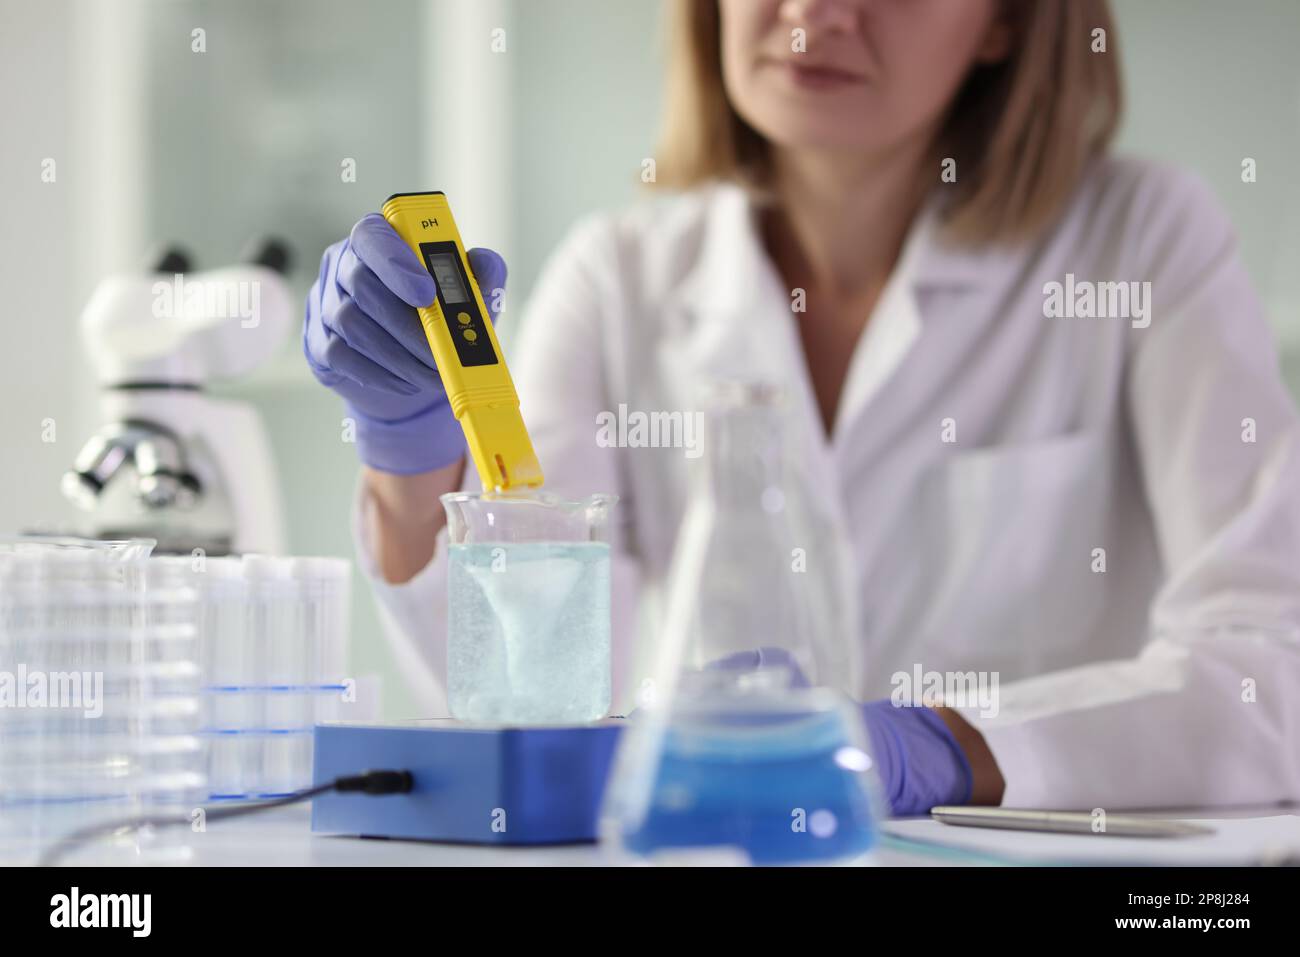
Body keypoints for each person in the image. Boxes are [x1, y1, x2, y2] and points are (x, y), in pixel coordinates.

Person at [303, 0, 1300, 815]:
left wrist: (945, 747)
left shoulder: (1142, 244)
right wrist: (412, 456)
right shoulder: (617, 281)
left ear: (1005, 21)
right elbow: (531, 710)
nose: (818, 11)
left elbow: (1272, 670)